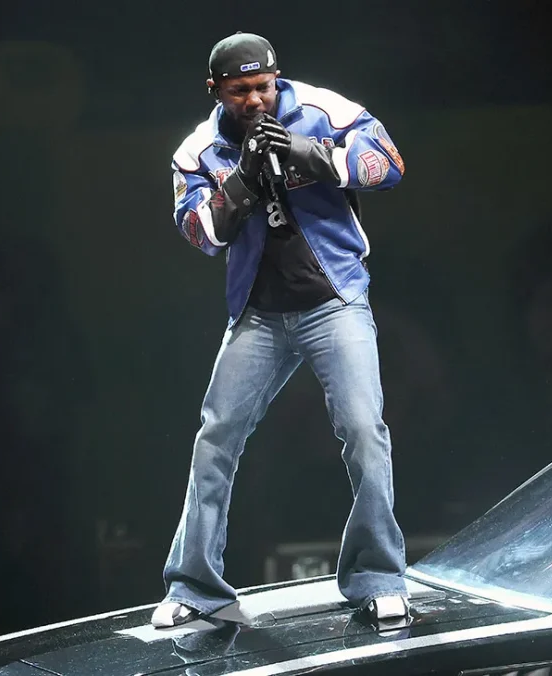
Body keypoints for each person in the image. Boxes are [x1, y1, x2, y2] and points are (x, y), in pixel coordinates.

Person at [156, 32, 410, 627]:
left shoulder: (326, 111)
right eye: (240, 90)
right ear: (216, 90)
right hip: (259, 313)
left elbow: (390, 165)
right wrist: (240, 182)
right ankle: (193, 587)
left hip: (333, 301)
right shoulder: (199, 152)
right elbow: (200, 234)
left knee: (364, 431)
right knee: (215, 438)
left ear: (277, 79)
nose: (255, 100)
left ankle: (378, 576)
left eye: (263, 87)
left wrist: (311, 153)